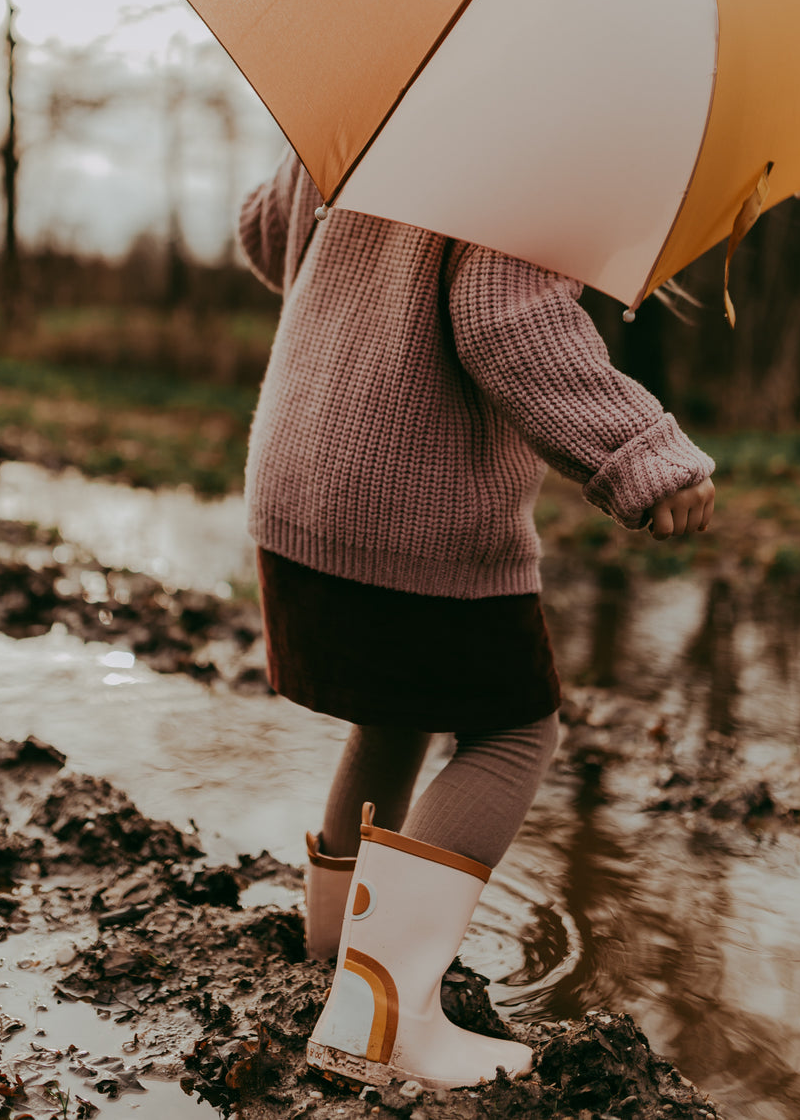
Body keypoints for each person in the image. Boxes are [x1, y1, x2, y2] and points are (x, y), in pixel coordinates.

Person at [237, 149, 715, 1092]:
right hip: (408, 500)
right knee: (514, 727)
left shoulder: (391, 101)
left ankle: (337, 954)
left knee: (398, 710)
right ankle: (385, 1017)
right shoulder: (531, 128)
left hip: (299, 476)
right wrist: (643, 449)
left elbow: (263, 230)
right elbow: (509, 319)